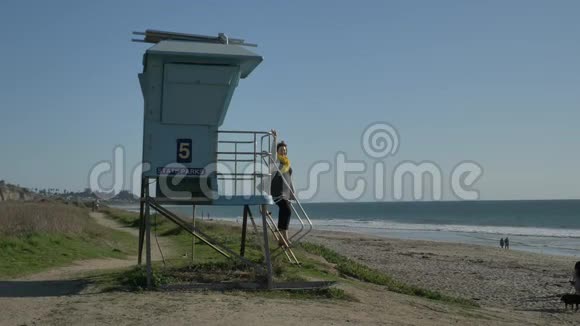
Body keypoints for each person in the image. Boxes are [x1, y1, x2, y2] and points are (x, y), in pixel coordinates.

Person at [269, 129, 295, 247]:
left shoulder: (287, 164)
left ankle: (283, 238)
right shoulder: (275, 162)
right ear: (278, 151)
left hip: (286, 193)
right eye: (281, 150)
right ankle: (282, 238)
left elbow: (289, 179)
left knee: (287, 212)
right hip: (277, 192)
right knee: (286, 210)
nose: (283, 152)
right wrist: (275, 139)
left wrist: (293, 192)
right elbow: (273, 152)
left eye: (285, 150)